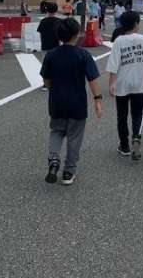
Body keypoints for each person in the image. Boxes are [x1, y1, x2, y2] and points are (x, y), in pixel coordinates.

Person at [40, 17, 102, 186]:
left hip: (57, 102)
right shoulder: (83, 54)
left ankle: (54, 159)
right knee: (75, 137)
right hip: (77, 103)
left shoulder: (51, 55)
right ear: (76, 35)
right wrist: (97, 99)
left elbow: (46, 80)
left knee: (56, 131)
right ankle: (68, 172)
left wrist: (53, 88)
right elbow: (92, 80)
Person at [106, 11, 143, 160]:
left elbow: (113, 65)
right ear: (136, 24)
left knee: (122, 115)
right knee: (138, 113)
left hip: (122, 84)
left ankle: (124, 146)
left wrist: (111, 84)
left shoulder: (119, 41)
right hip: (139, 83)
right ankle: (136, 137)